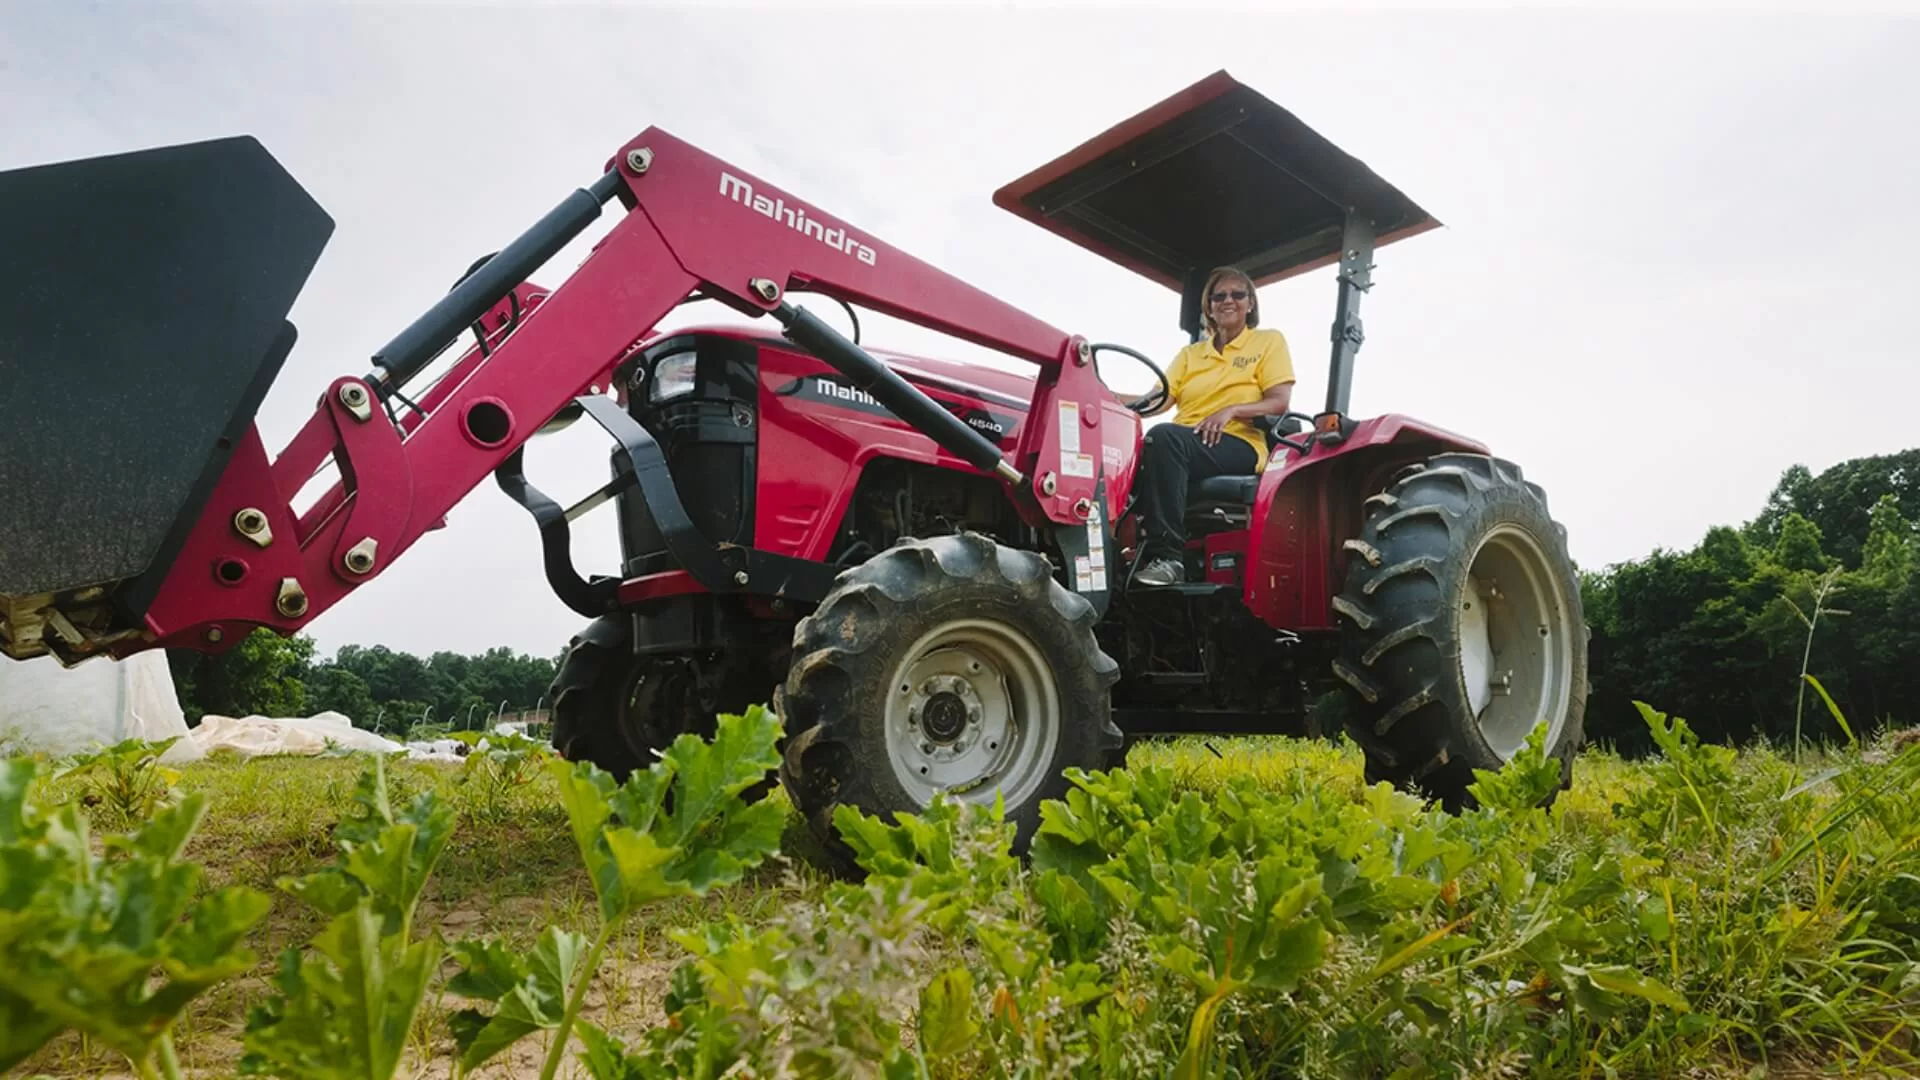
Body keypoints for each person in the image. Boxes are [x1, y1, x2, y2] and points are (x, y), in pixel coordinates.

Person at [1122, 266, 1296, 586]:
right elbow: (1156, 400)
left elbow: (1279, 400)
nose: (1228, 300)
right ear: (1209, 307)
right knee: (1124, 453)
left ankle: (1168, 557)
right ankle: (1119, 550)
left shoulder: (1267, 342)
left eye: (1237, 294)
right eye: (1219, 296)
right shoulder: (1191, 355)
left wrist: (1232, 410)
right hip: (1187, 441)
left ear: (1250, 304)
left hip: (1237, 441)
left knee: (1163, 438)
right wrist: (1100, 394)